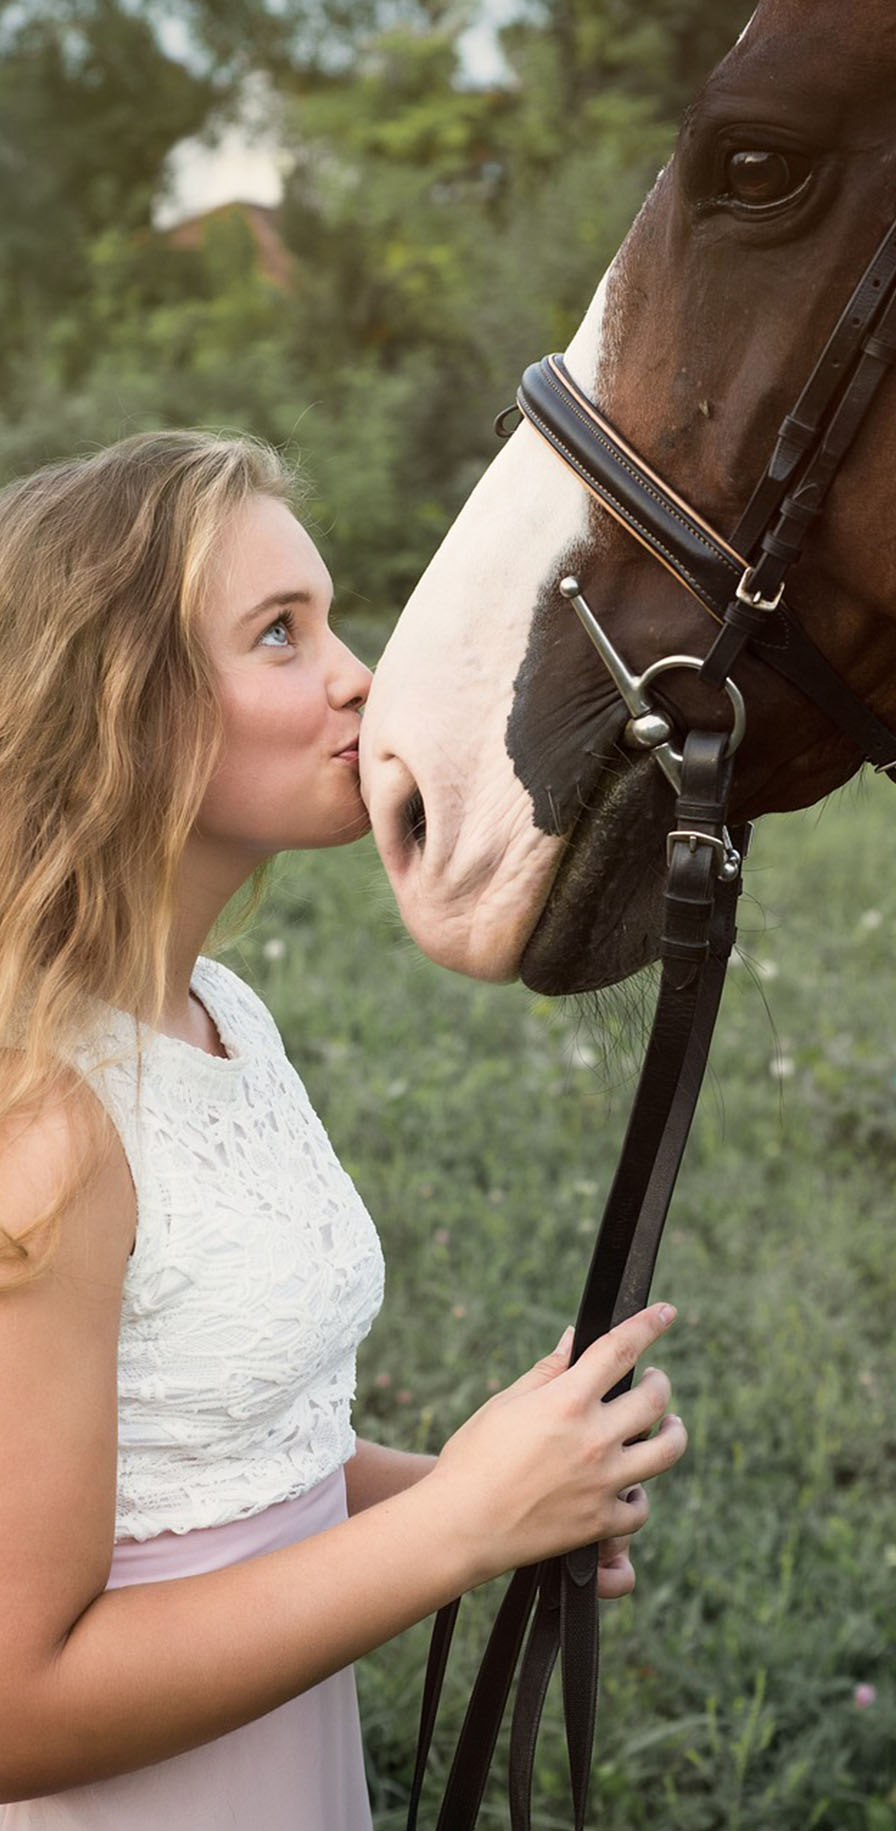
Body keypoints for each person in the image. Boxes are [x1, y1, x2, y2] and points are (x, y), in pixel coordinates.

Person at [0, 431, 687, 1829]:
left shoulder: (220, 1016)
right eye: (277, 634)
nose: (357, 677)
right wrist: (458, 1528)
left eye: (325, 618)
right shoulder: (44, 1125)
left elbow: (218, 1466)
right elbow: (19, 1706)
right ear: (118, 708)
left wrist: (500, 1482)